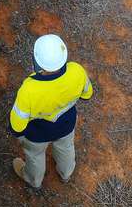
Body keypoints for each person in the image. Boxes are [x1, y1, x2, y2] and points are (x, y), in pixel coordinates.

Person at [9, 34, 94, 188]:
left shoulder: (28, 89)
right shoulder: (77, 71)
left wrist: (19, 136)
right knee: (66, 148)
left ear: (36, 61)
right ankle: (66, 173)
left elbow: (17, 125)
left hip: (37, 134)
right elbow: (87, 94)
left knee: (35, 156)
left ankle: (34, 181)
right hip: (66, 126)